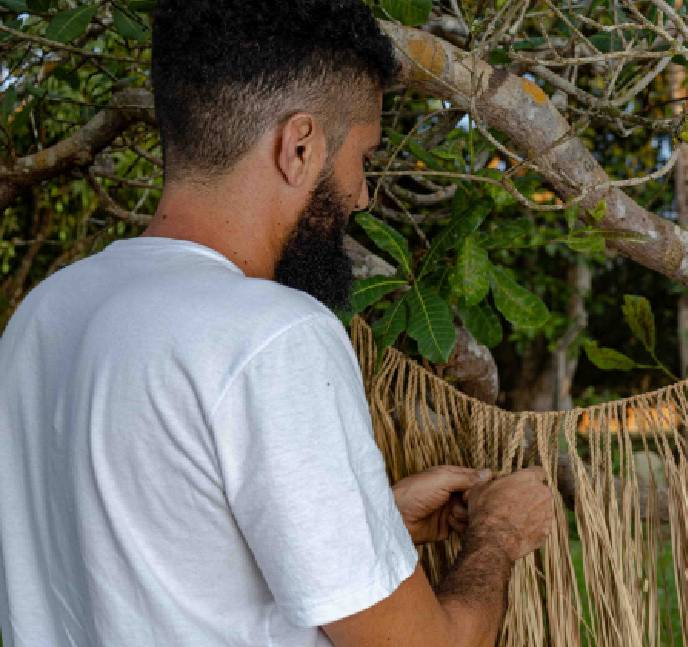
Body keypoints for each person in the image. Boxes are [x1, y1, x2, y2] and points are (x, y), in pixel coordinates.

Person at [0, 1, 554, 645]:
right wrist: (496, 539)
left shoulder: (43, 313)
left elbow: (149, 554)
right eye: (362, 158)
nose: (361, 194)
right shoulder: (273, 334)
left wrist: (375, 521)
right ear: (299, 145)